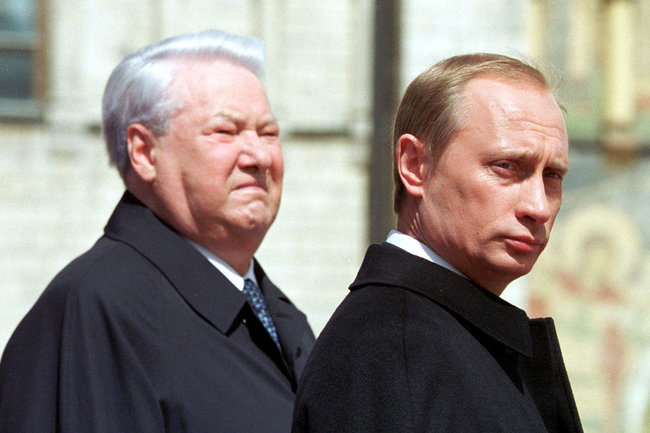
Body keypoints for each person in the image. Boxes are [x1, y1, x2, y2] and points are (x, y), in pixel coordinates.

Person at [0, 29, 315, 433]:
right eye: (225, 132)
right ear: (145, 152)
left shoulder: (272, 312)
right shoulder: (99, 309)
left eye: (269, 133)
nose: (259, 156)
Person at [292, 54, 583, 432]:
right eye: (507, 166)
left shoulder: (442, 337)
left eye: (552, 176)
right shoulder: (388, 350)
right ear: (415, 165)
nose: (538, 207)